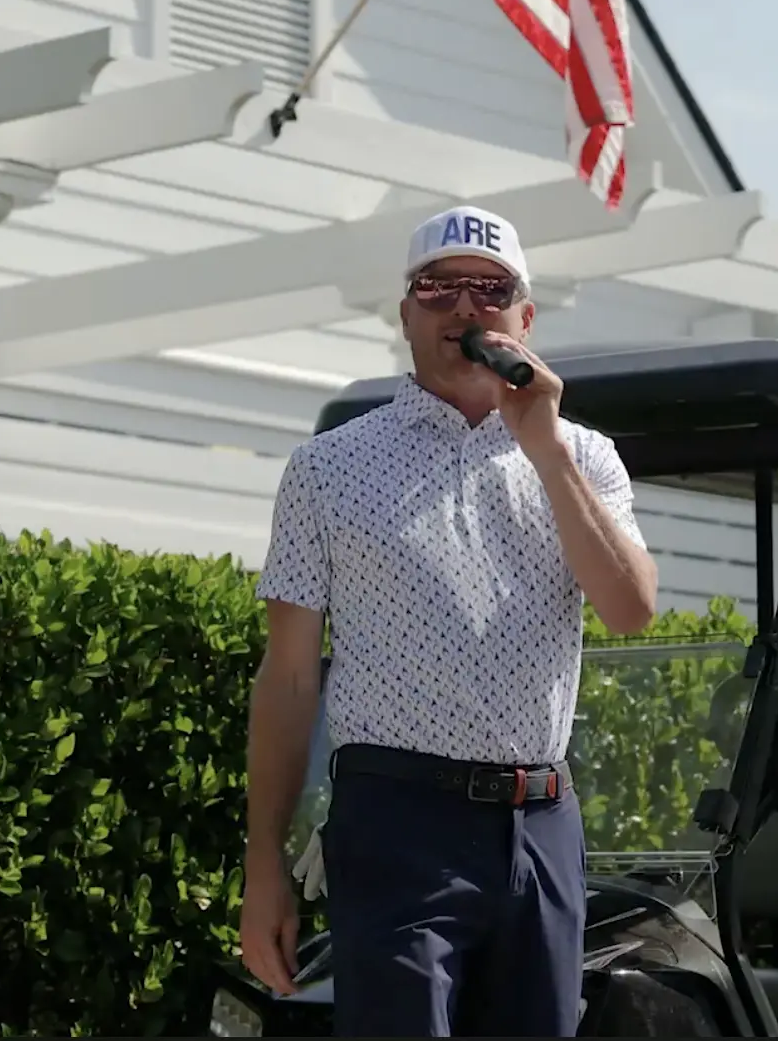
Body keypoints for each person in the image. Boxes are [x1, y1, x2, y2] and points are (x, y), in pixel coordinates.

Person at [236, 203, 659, 1037]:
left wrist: (542, 445)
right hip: (397, 817)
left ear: (524, 317)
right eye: (436, 288)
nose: (464, 307)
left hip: (541, 821)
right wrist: (264, 867)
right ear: (404, 316)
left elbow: (629, 607)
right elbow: (287, 677)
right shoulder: (326, 468)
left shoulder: (585, 455)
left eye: (489, 288)